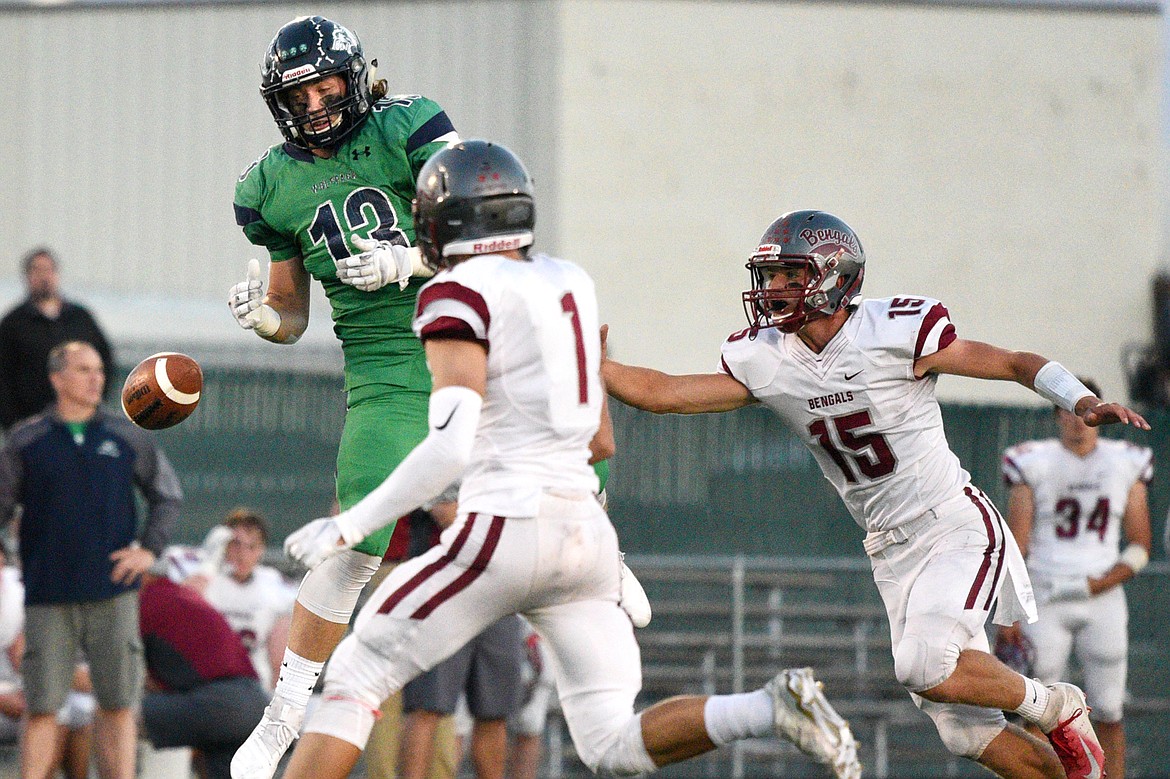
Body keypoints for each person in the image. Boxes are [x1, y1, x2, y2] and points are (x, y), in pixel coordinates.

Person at [277, 140, 860, 779]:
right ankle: (764, 708)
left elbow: (449, 445)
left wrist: (350, 524)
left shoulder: (456, 292)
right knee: (611, 743)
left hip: (508, 526)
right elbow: (601, 443)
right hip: (587, 540)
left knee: (354, 679)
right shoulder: (570, 283)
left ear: (442, 220)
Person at [601, 209, 1152, 779]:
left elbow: (1012, 362)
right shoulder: (767, 358)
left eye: (791, 275)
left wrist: (1078, 399)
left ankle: (1054, 704)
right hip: (889, 550)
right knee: (967, 730)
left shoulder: (892, 333)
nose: (773, 290)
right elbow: (661, 392)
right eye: (771, 276)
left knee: (923, 664)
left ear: (835, 276)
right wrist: (591, 365)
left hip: (954, 525)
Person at [226, 15, 460, 778]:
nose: (320, 100)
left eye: (328, 83)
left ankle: (600, 555)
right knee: (354, 539)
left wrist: (410, 262)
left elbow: (488, 232)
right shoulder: (268, 186)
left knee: (561, 449)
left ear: (356, 76)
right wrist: (266, 315)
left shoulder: (410, 127)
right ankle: (287, 707)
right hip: (384, 362)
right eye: (302, 90)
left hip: (466, 324)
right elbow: (293, 314)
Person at [0, 341, 182, 779]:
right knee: (42, 706)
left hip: (113, 592)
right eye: (83, 370)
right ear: (57, 378)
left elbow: (167, 496)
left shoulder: (127, 436)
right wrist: (10, 556)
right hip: (47, 596)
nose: (95, 378)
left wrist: (148, 550)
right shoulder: (27, 439)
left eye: (99, 370)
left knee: (118, 703)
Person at [998, 377, 1152, 779]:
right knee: (1037, 708)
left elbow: (1139, 545)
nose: (1079, 419)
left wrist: (1096, 584)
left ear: (1099, 412)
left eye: (1086, 410)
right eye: (1068, 409)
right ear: (1056, 415)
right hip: (1045, 596)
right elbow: (1019, 543)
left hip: (1103, 597)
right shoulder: (1033, 460)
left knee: (1109, 709)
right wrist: (1008, 608)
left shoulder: (1125, 461)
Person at [396, 497, 524, 779]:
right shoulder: (440, 452)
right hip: (441, 585)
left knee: (494, 713)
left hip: (500, 589)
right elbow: (446, 511)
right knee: (426, 707)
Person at [139, 559, 270, 779]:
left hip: (221, 703)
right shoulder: (183, 595)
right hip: (255, 702)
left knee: (117, 717)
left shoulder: (148, 600)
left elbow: (120, 678)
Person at [0, 247, 113, 430]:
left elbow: (105, 359)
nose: (44, 277)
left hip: (82, 422)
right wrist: (13, 422)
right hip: (32, 425)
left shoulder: (80, 318)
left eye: (49, 270)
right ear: (27, 276)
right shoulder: (13, 324)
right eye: (37, 270)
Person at [200, 509, 296, 692]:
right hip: (208, 684)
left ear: (261, 550)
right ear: (224, 545)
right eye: (236, 544)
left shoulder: (274, 587)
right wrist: (209, 563)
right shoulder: (206, 580)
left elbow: (280, 660)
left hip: (253, 686)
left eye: (251, 547)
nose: (242, 554)